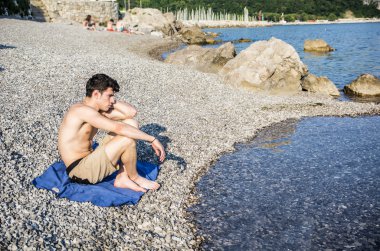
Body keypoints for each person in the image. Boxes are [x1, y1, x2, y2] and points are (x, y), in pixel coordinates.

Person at [58, 74, 165, 192]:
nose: (112, 100)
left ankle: (122, 177)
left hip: (90, 159)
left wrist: (110, 99)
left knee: (130, 123)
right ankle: (134, 177)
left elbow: (131, 113)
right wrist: (152, 139)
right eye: (109, 96)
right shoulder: (81, 111)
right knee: (127, 139)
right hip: (80, 171)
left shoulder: (96, 111)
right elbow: (119, 128)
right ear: (96, 94)